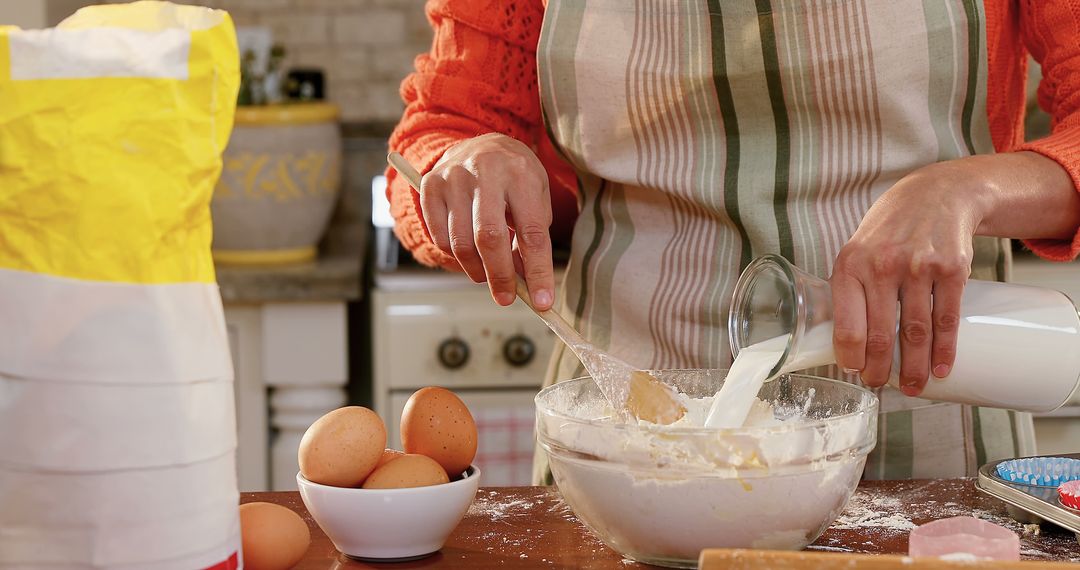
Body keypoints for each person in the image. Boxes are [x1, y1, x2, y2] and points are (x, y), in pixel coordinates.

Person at [386, 0, 1080, 482]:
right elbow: (434, 136)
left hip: (928, 428)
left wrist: (969, 190)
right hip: (627, 441)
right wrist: (466, 161)